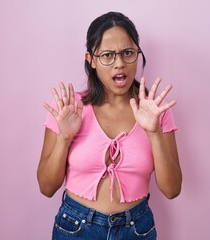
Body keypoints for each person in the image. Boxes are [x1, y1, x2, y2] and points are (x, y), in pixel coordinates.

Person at [37, 11, 182, 240]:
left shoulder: (154, 109)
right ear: (91, 60)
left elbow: (172, 189)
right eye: (107, 55)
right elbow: (46, 188)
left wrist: (154, 133)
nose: (119, 64)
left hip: (136, 229)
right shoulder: (68, 107)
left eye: (128, 53)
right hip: (75, 228)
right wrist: (64, 139)